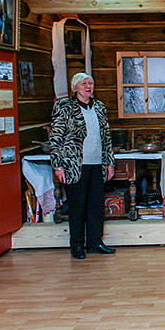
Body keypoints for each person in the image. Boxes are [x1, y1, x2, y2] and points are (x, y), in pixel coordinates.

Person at [49, 73, 116, 259]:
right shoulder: (64, 107)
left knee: (95, 206)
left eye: (91, 83)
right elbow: (55, 138)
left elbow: (106, 137)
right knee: (77, 206)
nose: (88, 86)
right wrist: (58, 165)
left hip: (96, 163)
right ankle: (77, 245)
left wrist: (109, 162)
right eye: (84, 83)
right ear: (75, 88)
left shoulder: (100, 107)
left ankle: (95, 242)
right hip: (74, 164)